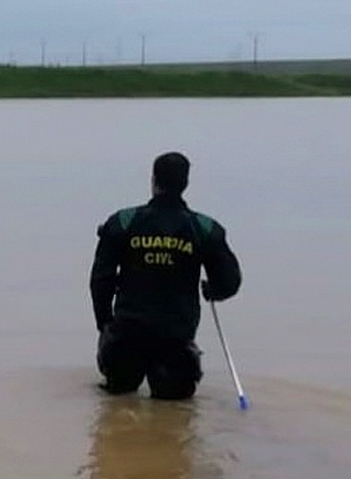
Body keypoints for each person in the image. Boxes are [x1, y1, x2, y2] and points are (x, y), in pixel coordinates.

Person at [90, 152, 242, 400]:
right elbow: (230, 282)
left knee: (116, 404)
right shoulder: (205, 228)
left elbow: (100, 279)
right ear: (186, 184)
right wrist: (213, 290)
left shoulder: (123, 222)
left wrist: (105, 324)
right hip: (175, 340)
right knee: (174, 412)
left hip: (126, 337)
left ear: (153, 180)